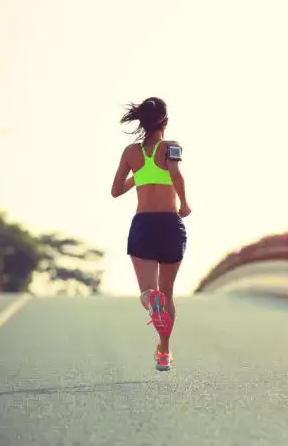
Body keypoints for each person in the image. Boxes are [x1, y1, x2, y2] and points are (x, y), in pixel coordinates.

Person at [110, 97, 190, 371]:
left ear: (142, 122)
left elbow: (116, 190)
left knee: (149, 291)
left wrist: (140, 173)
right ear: (165, 122)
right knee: (167, 293)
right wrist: (185, 204)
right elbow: (175, 173)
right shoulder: (172, 147)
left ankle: (149, 300)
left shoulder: (131, 152)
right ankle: (164, 352)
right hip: (170, 224)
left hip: (144, 224)